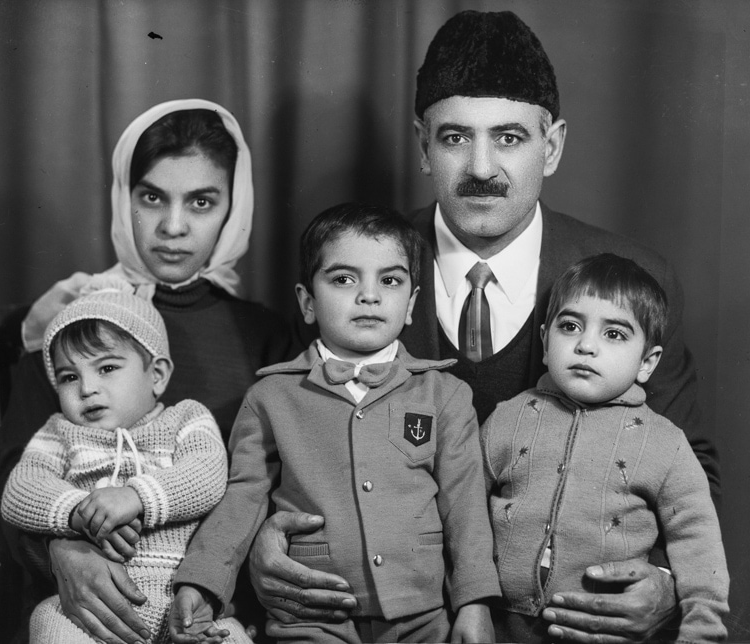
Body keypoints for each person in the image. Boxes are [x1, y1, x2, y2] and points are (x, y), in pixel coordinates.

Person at [246, 11, 720, 642]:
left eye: (509, 138)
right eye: (454, 138)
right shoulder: (354, 263)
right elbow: (287, 434)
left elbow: (690, 463)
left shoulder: (634, 277)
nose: (481, 166)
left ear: (550, 147)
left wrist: (663, 580)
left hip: (563, 624)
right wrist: (258, 541)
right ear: (421, 145)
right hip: (390, 619)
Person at [0, 99, 292, 644]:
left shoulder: (268, 336)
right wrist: (64, 549)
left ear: (234, 207)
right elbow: (19, 476)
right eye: (151, 197)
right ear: (122, 197)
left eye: (201, 202)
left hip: (212, 596)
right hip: (89, 600)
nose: (173, 227)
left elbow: (279, 484)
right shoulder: (77, 323)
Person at [170, 203, 500, 643]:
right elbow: (243, 499)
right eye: (344, 279)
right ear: (307, 303)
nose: (369, 295)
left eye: (390, 280)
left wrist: (474, 604)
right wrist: (202, 581)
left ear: (411, 305)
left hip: (421, 616)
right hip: (311, 613)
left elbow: (465, 509)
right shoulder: (271, 396)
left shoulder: (446, 394)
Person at [482, 253, 729, 643]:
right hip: (497, 630)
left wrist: (700, 632)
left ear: (647, 363)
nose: (586, 345)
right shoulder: (506, 419)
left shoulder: (665, 444)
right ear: (545, 342)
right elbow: (461, 516)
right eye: (570, 326)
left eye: (613, 334)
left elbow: (698, 543)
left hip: (604, 634)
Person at [1, 278, 249, 643]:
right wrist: (80, 512)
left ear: (158, 375)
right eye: (69, 376)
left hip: (182, 604)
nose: (87, 388)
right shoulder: (59, 432)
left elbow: (207, 474)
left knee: (231, 636)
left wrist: (136, 497)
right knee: (48, 621)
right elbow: (21, 489)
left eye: (106, 368)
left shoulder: (185, 418)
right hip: (89, 612)